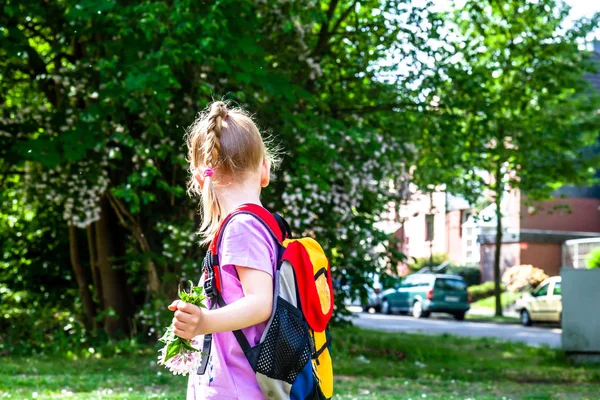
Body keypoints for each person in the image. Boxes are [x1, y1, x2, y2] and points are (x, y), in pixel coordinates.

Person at [168, 101, 279, 400]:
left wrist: (204, 322)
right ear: (264, 170)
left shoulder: (242, 227)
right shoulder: (261, 225)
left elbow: (260, 303)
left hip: (239, 389)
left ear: (199, 177)